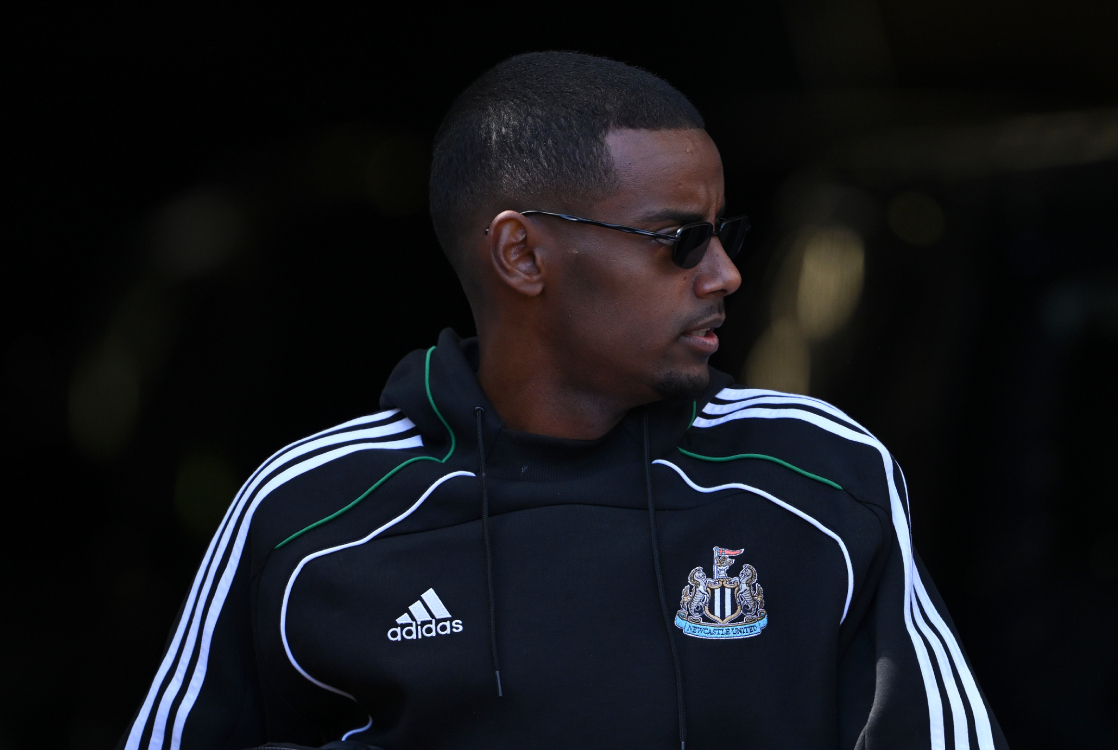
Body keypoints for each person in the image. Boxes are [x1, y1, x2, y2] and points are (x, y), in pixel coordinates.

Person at [120, 51, 1007, 750]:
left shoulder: (820, 473)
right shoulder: (308, 511)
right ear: (521, 255)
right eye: (680, 240)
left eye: (725, 234)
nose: (728, 274)